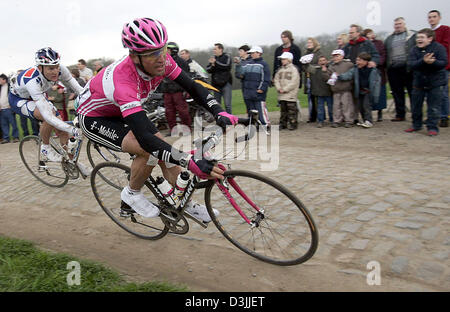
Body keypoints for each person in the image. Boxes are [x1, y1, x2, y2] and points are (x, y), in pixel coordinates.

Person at [75, 18, 238, 223]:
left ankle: (183, 202)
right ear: (134, 56)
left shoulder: (164, 60)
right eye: (152, 54)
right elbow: (144, 139)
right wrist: (190, 161)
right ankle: (131, 193)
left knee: (163, 148)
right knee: (148, 149)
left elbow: (193, 86)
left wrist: (218, 110)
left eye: (162, 50)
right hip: (94, 117)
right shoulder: (123, 81)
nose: (161, 58)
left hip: (121, 111)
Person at [8, 47, 87, 173]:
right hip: (19, 99)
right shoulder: (32, 80)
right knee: (48, 117)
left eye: (56, 66)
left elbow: (79, 89)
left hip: (39, 95)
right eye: (50, 68)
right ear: (40, 68)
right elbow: (48, 116)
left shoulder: (61, 70)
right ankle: (45, 147)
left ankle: (73, 162)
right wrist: (73, 129)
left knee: (62, 132)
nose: (55, 71)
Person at [405, 28, 448, 137]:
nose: (418, 40)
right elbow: (411, 64)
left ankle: (432, 127)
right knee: (416, 106)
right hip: (418, 82)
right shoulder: (414, 50)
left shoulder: (439, 48)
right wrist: (423, 61)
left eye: (421, 37)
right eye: (418, 37)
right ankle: (416, 125)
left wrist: (433, 62)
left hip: (436, 82)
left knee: (433, 106)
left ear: (430, 39)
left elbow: (443, 63)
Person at [384, 17, 416, 122]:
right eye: (396, 24)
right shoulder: (389, 38)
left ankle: (415, 114)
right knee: (397, 92)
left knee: (412, 91)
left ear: (404, 24)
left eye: (400, 24)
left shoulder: (412, 35)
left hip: (408, 68)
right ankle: (400, 114)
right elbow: (386, 53)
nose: (398, 26)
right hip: (393, 69)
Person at [337, 53, 381, 129]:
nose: (357, 62)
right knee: (360, 106)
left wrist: (375, 94)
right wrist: (339, 76)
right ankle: (365, 120)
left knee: (366, 106)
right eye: (357, 60)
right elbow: (348, 75)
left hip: (368, 91)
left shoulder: (373, 70)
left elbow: (377, 83)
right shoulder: (356, 69)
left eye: (359, 60)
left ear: (366, 61)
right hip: (360, 91)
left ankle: (369, 120)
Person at [235, 46, 271, 131]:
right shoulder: (248, 64)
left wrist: (261, 88)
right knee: (251, 111)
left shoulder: (263, 64)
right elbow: (241, 73)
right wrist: (238, 65)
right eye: (251, 53)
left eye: (253, 53)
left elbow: (265, 78)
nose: (251, 55)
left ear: (259, 53)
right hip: (248, 92)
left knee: (261, 110)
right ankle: (253, 125)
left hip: (258, 92)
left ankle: (265, 125)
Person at [160, 42, 192, 134]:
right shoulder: (163, 61)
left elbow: (187, 77)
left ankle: (187, 129)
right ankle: (173, 130)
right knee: (169, 112)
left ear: (173, 50)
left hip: (178, 91)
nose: (166, 52)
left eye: (168, 50)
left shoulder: (182, 62)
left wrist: (186, 90)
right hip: (167, 91)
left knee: (183, 111)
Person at [428, 10, 450, 128]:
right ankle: (433, 116)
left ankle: (444, 116)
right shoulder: (428, 32)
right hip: (429, 67)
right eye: (430, 17)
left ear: (439, 17)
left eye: (434, 17)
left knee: (443, 92)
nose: (431, 19)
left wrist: (432, 52)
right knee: (431, 93)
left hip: (442, 65)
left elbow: (446, 46)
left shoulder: (445, 29)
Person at [322, 50, 355, 128]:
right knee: (336, 107)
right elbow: (327, 77)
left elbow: (352, 74)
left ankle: (349, 120)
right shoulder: (331, 66)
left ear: (342, 56)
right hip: (335, 89)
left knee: (347, 106)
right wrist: (325, 73)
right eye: (334, 56)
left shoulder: (348, 65)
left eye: (337, 56)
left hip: (345, 89)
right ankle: (337, 120)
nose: (335, 58)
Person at [364, 29, 387, 122]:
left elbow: (383, 55)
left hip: (378, 69)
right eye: (367, 34)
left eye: (371, 33)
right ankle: (369, 114)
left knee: (380, 92)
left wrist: (376, 62)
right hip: (367, 70)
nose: (370, 35)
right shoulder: (365, 44)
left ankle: (380, 113)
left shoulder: (379, 43)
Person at [273, 52, 300, 130]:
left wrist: (285, 89)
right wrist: (278, 88)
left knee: (292, 110)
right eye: (282, 59)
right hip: (281, 94)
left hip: (291, 94)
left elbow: (294, 82)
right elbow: (276, 79)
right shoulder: (280, 70)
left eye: (284, 59)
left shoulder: (294, 69)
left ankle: (293, 123)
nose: (282, 61)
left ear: (289, 60)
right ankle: (283, 123)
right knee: (283, 110)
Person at [301, 38, 323, 123]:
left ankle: (319, 115)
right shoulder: (306, 53)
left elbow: (320, 64)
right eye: (308, 42)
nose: (308, 44)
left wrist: (309, 68)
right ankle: (311, 116)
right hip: (308, 77)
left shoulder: (319, 53)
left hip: (316, 77)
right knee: (310, 97)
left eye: (310, 42)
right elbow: (303, 65)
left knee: (317, 97)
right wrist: (305, 67)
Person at [207, 43, 233, 114]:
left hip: (226, 84)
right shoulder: (213, 58)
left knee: (227, 104)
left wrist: (216, 63)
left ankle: (230, 120)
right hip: (216, 85)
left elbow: (227, 66)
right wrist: (212, 65)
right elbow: (208, 70)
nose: (214, 50)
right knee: (217, 105)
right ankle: (220, 120)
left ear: (220, 49)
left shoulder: (227, 56)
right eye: (213, 49)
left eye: (215, 49)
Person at [308, 56, 333, 128]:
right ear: (318, 62)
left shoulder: (330, 68)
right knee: (320, 108)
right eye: (320, 61)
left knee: (331, 107)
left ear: (327, 61)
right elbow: (306, 68)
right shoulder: (315, 70)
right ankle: (320, 121)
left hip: (329, 91)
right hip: (319, 92)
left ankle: (332, 120)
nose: (322, 62)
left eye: (324, 60)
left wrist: (325, 71)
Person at [0, 74, 19, 143]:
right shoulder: (0, 87)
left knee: (13, 123)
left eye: (0, 79)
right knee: (4, 124)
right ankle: (6, 138)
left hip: (9, 108)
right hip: (2, 109)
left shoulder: (10, 86)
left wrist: (12, 105)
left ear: (4, 80)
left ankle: (16, 137)